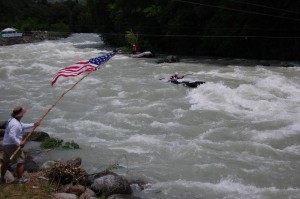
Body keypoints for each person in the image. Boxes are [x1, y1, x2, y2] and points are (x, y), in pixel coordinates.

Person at [1, 106, 40, 184]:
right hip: (12, 145)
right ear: (20, 114)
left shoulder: (12, 120)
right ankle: (19, 180)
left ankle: (1, 178)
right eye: (23, 113)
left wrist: (34, 124)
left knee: (5, 162)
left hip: (5, 144)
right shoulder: (15, 124)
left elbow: (22, 125)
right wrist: (19, 143)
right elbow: (12, 135)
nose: (23, 114)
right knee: (21, 162)